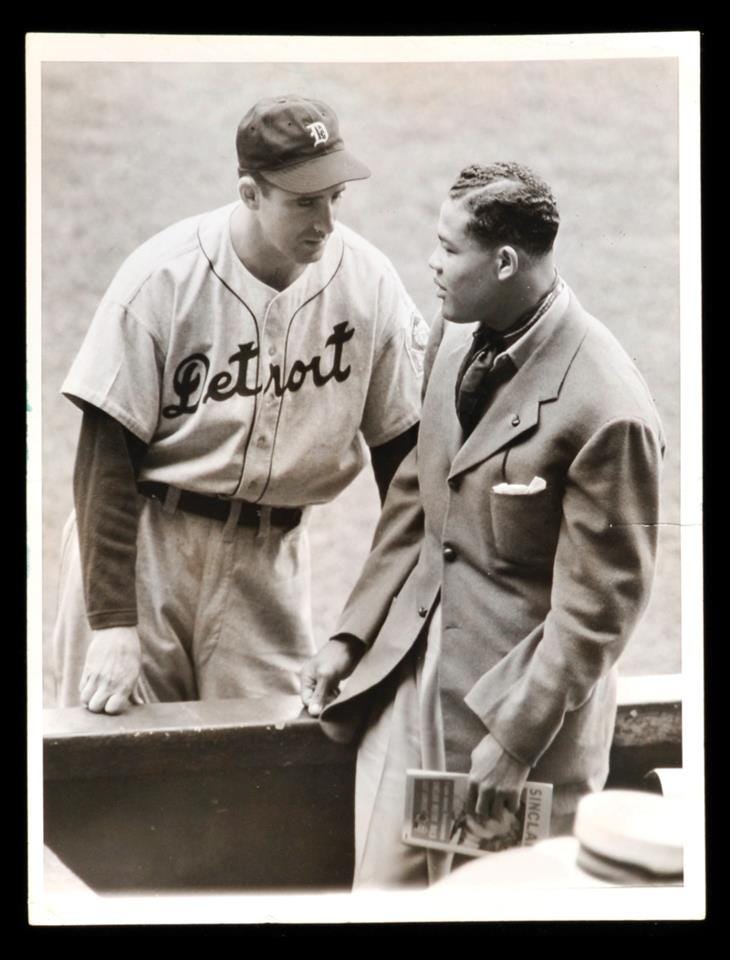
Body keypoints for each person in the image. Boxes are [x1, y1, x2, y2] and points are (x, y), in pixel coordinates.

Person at [300, 161, 665, 888]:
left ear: (504, 262)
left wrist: (515, 738)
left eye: (447, 248)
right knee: (382, 897)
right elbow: (415, 495)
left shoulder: (608, 405)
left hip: (514, 721)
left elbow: (596, 611)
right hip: (411, 686)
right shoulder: (458, 330)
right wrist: (351, 636)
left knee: (489, 899)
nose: (431, 265)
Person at [52, 94, 428, 717]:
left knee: (266, 765)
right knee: (112, 764)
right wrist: (114, 621)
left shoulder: (369, 284)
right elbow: (104, 458)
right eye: (305, 201)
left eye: (336, 197)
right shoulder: (162, 278)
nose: (326, 222)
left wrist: (389, 616)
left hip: (269, 565)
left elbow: (405, 463)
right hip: (148, 549)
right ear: (250, 194)